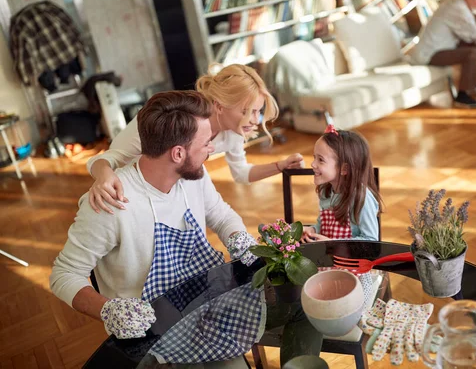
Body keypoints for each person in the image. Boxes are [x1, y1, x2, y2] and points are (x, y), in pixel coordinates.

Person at [50, 90, 322, 365]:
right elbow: (64, 273)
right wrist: (108, 310)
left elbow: (219, 212)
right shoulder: (110, 203)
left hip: (210, 306)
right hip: (156, 334)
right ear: (178, 153)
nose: (212, 148)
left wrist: (238, 237)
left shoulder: (194, 176)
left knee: (308, 306)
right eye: (206, 143)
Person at [87, 64, 304, 214]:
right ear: (220, 105)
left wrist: (280, 166)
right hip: (126, 189)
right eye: (247, 111)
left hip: (168, 189)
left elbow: (241, 173)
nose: (255, 121)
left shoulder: (233, 131)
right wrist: (104, 174)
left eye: (258, 111)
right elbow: (108, 159)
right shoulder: (171, 118)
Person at [301, 125, 383, 243]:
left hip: (352, 260)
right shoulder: (326, 191)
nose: (313, 164)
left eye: (320, 160)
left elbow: (370, 241)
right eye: (314, 157)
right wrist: (313, 229)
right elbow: (323, 224)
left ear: (344, 169)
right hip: (330, 256)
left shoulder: (362, 198)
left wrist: (333, 244)